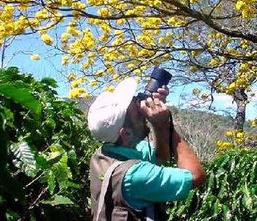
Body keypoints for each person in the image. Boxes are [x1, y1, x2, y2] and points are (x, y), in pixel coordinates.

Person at [88, 78, 206, 221]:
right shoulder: (135, 175)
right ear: (125, 133)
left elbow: (161, 156)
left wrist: (156, 124)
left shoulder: (105, 152)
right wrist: (165, 126)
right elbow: (196, 176)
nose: (142, 109)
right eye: (137, 112)